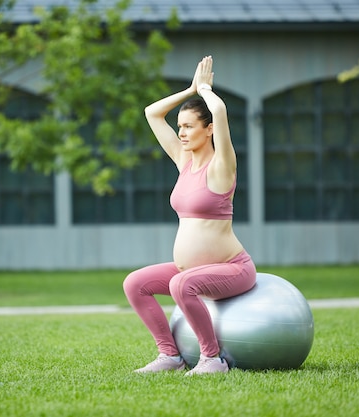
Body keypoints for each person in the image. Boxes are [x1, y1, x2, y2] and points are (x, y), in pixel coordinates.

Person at [123, 56, 257, 375]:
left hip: (231, 268)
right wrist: (190, 90)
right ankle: (170, 356)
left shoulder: (222, 166)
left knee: (182, 284)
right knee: (134, 284)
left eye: (189, 126)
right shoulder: (184, 161)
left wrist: (207, 90)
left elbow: (220, 111)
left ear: (209, 129)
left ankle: (213, 359)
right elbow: (152, 113)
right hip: (190, 272)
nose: (181, 132)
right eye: (180, 126)